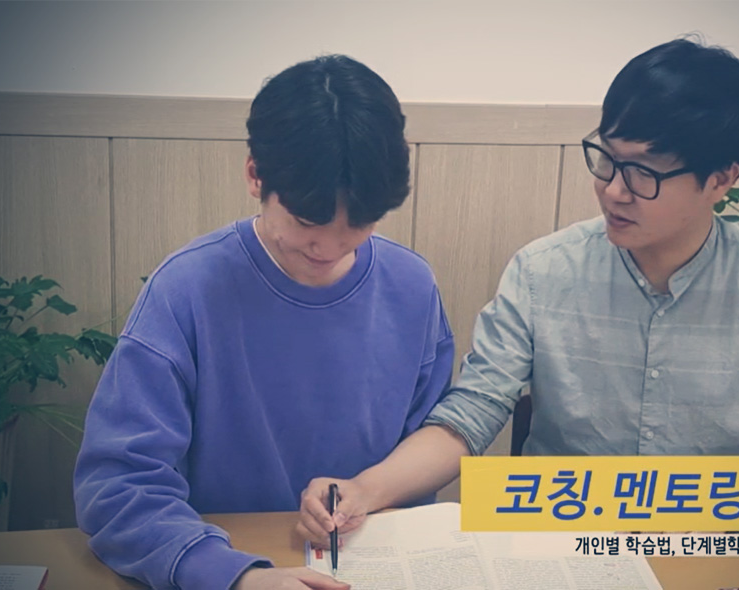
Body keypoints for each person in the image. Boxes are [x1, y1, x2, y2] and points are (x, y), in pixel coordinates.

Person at [296, 37, 739, 547]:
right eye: (606, 159)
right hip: (558, 548)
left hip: (707, 548)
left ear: (721, 180)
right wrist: (364, 489)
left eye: (644, 173)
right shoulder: (543, 272)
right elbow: (470, 415)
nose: (613, 190)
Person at [74, 55, 454, 590]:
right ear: (255, 175)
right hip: (230, 565)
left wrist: (368, 495)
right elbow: (119, 486)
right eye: (306, 222)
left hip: (368, 567)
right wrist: (234, 576)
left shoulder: (412, 286)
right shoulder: (186, 290)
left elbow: (435, 441)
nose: (330, 247)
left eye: (361, 223)